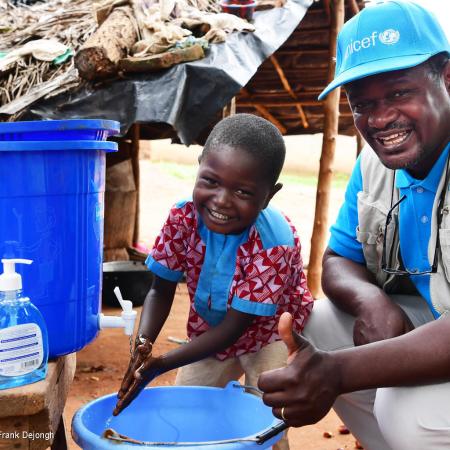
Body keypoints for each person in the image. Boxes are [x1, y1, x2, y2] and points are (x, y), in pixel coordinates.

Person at [258, 1, 450, 449]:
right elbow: (338, 259)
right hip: (437, 319)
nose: (380, 119)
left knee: (408, 413)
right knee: (323, 324)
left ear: (446, 77)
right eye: (363, 103)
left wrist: (338, 371)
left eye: (400, 93)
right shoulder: (374, 165)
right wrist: (369, 301)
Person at [113, 113, 314, 450]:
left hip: (270, 336)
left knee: (265, 420)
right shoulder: (183, 218)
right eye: (211, 181)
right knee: (186, 406)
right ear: (199, 166)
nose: (221, 200)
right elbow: (159, 290)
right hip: (209, 332)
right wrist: (144, 346)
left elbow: (237, 327)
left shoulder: (274, 241)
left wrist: (160, 364)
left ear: (269, 195)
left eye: (243, 191)